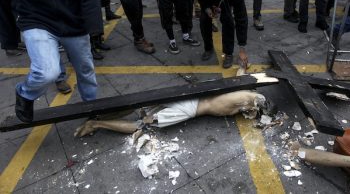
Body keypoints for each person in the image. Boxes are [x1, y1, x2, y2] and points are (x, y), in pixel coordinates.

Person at [0, 0, 99, 123]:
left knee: (85, 69)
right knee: (47, 72)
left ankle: (91, 109)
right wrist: (9, 38)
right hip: (34, 17)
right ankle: (25, 93)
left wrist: (94, 22)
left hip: (72, 16)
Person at [74, 89, 275, 137]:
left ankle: (100, 118)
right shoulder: (251, 102)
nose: (254, 112)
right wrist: (261, 114)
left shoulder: (245, 93)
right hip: (190, 109)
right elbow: (254, 109)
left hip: (190, 95)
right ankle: (96, 124)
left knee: (141, 105)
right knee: (142, 125)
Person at [194, 0, 249, 69]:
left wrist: (242, 49)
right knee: (204, 19)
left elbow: (241, 16)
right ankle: (208, 48)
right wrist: (206, 8)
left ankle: (228, 53)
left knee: (228, 19)